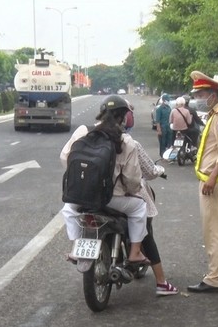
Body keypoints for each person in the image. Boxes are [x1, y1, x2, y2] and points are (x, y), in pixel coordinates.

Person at [60, 95, 150, 265]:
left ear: (101, 113)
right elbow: (132, 180)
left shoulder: (82, 131)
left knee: (68, 210)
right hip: (111, 199)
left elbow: (65, 158)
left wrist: (82, 181)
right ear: (123, 118)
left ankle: (75, 248)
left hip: (82, 196)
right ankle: (135, 253)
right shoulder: (126, 141)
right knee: (139, 208)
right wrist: (130, 191)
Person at [187, 71, 218, 293]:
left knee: (213, 231)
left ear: (212, 94)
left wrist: (212, 178)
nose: (198, 98)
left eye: (201, 94)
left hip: (214, 183)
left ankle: (214, 278)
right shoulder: (217, 114)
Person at [133, 140, 179, 296]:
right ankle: (161, 282)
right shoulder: (129, 142)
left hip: (93, 196)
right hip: (125, 195)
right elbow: (150, 171)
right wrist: (160, 170)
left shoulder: (87, 136)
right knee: (145, 231)